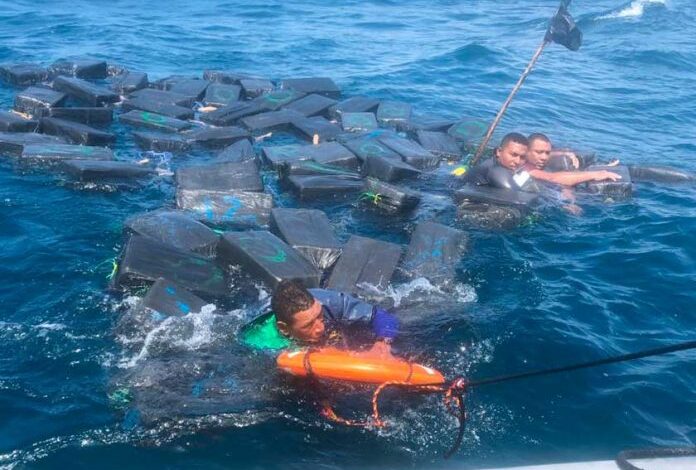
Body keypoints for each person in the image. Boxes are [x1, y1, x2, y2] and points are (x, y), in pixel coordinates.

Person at [241, 280, 398, 354]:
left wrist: (383, 342)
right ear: (284, 328)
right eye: (308, 325)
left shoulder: (328, 302)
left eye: (320, 316)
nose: (321, 328)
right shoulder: (261, 342)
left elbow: (382, 316)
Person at [525, 133, 621, 186]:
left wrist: (566, 153)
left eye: (547, 152)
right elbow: (552, 178)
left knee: (565, 161)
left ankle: (597, 166)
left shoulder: (534, 158)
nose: (544, 157)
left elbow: (548, 154)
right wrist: (595, 174)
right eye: (539, 152)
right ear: (526, 151)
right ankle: (595, 169)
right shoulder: (524, 166)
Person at [463, 132, 537, 192]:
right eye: (513, 155)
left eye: (522, 157)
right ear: (499, 151)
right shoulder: (497, 171)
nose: (517, 161)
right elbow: (516, 194)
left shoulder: (493, 163)